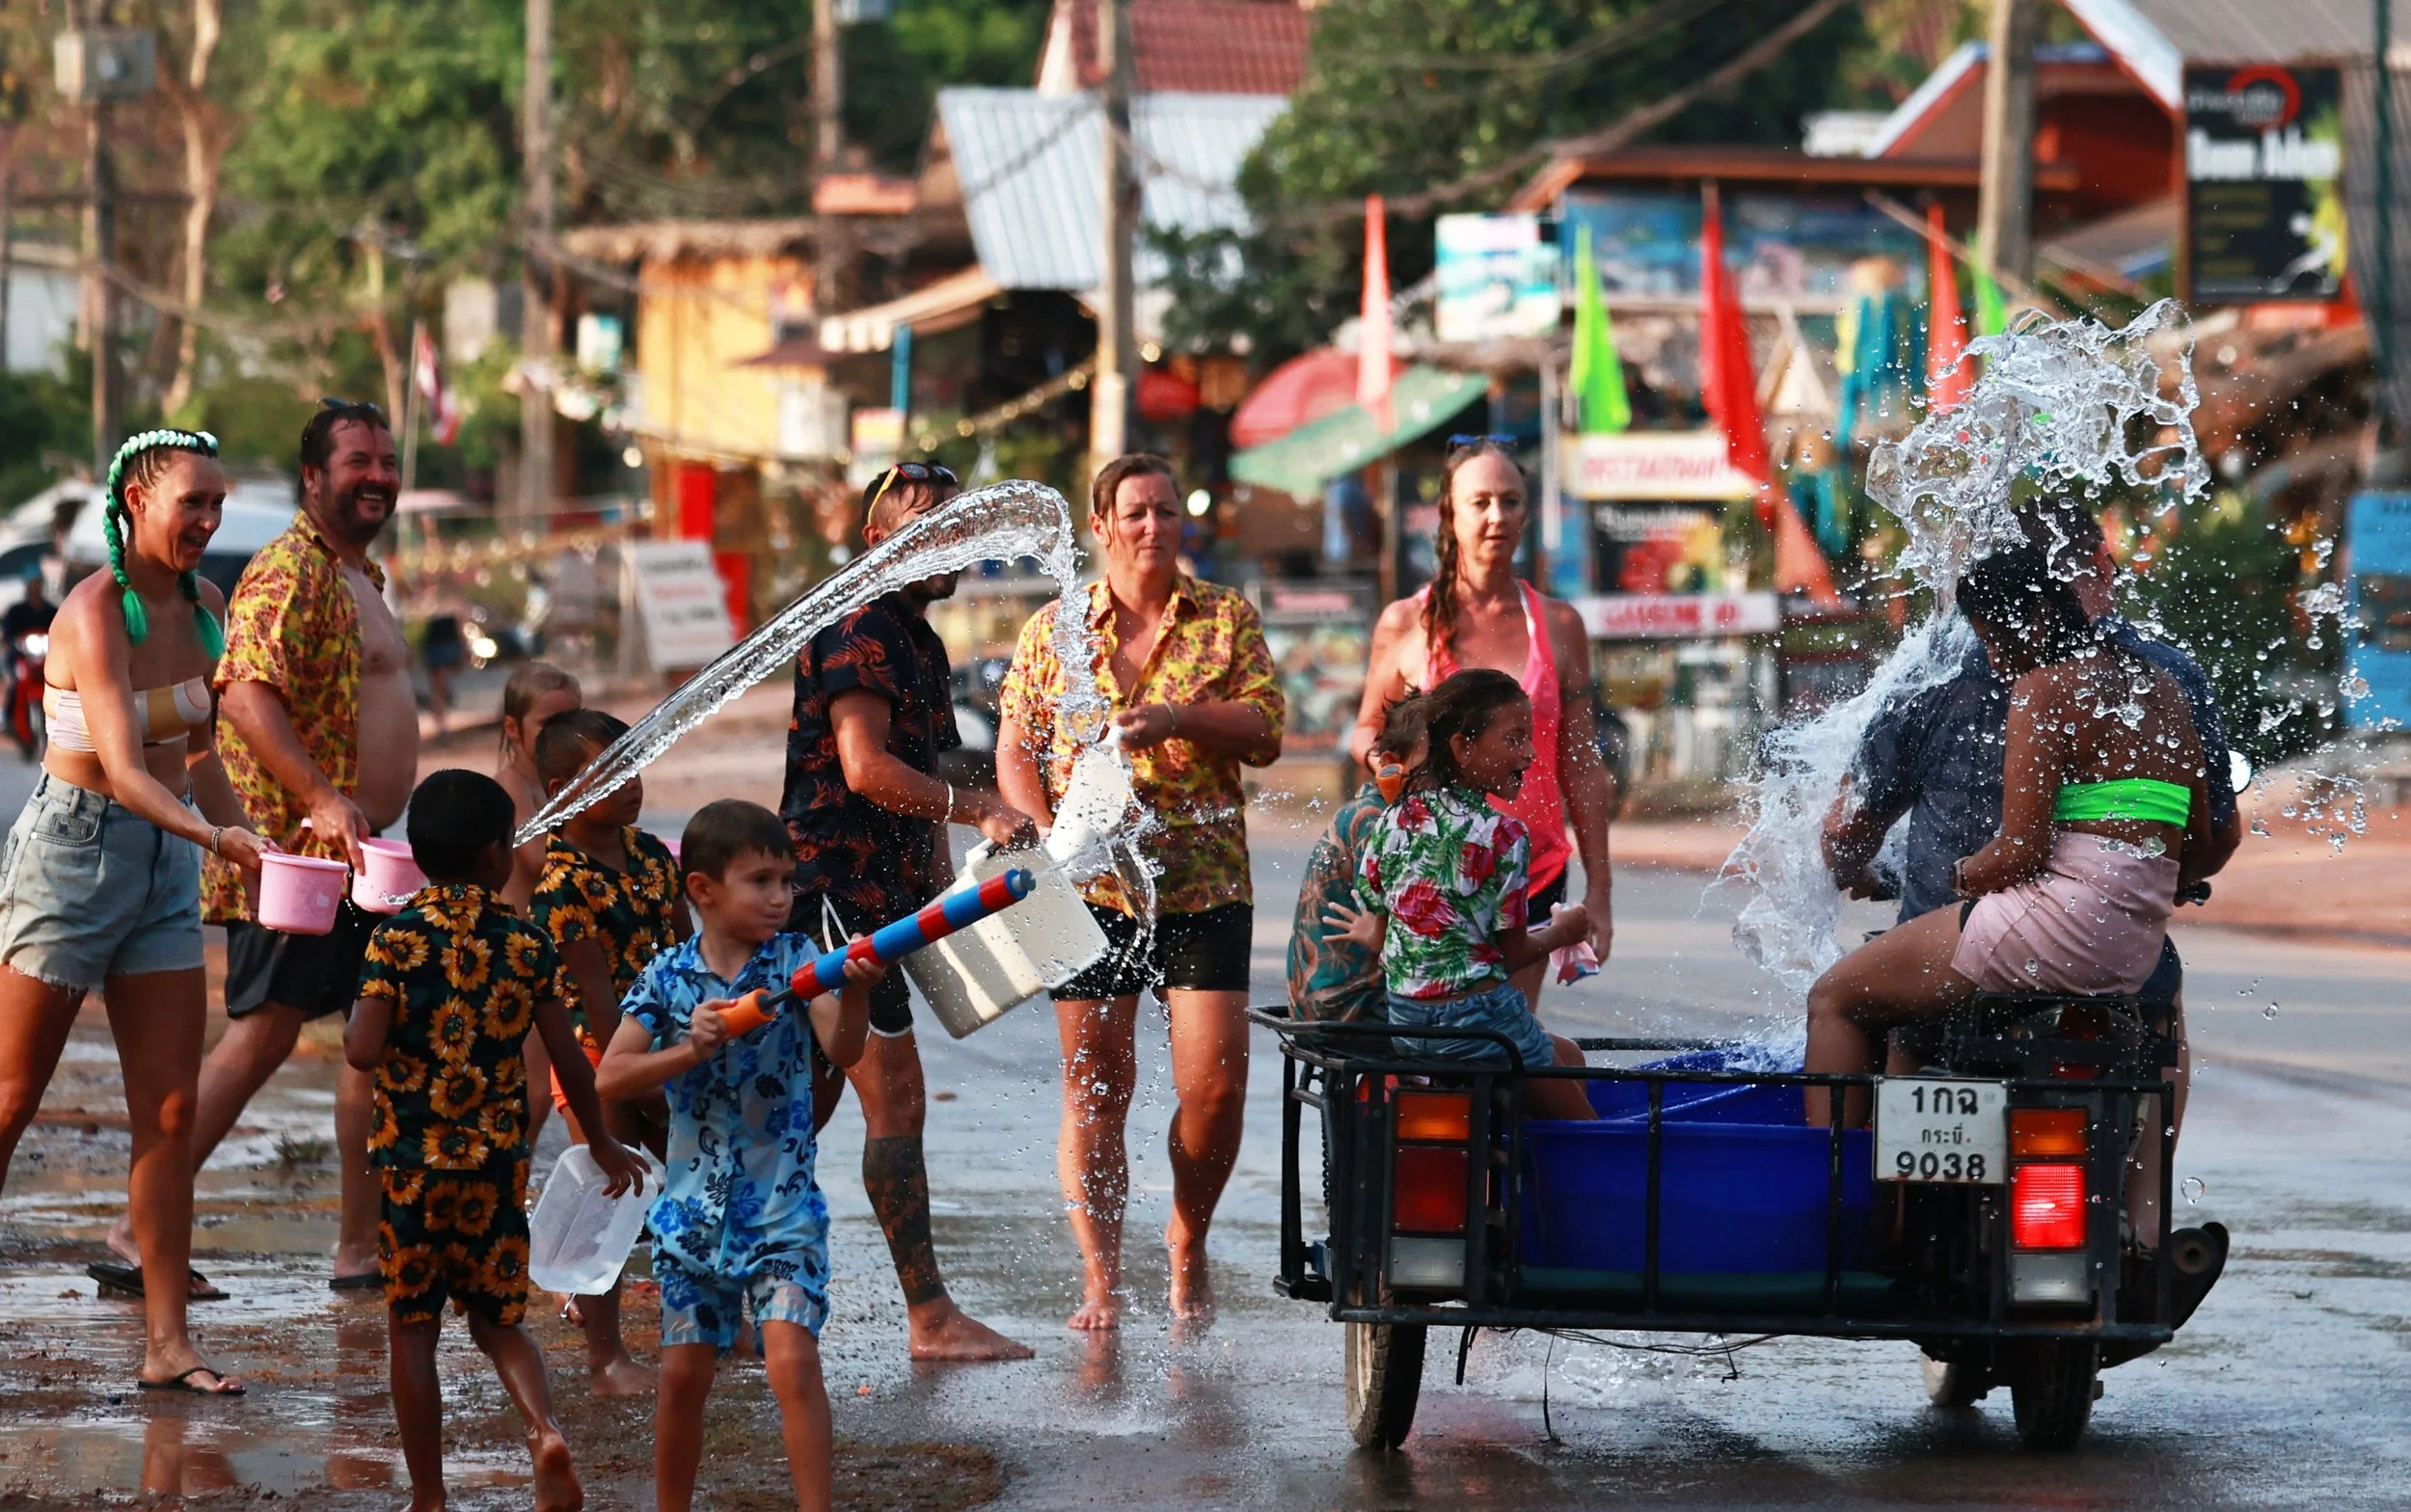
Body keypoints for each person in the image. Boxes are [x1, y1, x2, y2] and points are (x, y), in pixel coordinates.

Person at [1821, 500, 2241, 1229]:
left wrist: (1868, 866)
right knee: (2159, 1032)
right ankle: (2142, 1227)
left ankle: (1846, 1214)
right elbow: (2212, 837)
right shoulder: (2165, 677)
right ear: (2093, 574)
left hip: (1992, 942)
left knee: (1843, 1000)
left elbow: (2001, 850)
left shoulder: (1963, 674)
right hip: (2126, 953)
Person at [0, 428, 267, 1393]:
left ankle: (168, 1342)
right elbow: (119, 768)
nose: (207, 521)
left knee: (167, 1105)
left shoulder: (205, 606)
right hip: (72, 857)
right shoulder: (93, 613)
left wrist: (260, 843)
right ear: (135, 500)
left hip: (164, 868)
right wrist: (215, 840)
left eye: (217, 505)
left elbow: (197, 759)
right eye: (191, 501)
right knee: (10, 1097)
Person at [131, 398, 415, 1294]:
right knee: (259, 1038)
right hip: (297, 858)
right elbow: (244, 697)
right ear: (312, 478)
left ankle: (361, 1248)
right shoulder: (288, 569)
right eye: (356, 462)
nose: (376, 475)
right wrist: (323, 799)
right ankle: (134, 1234)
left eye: (385, 460)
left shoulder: (358, 571)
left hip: (357, 860)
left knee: (379, 1033)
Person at [997, 452, 1287, 1329]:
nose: (1153, 527)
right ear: (1101, 526)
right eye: (1136, 513)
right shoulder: (1055, 630)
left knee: (1216, 1089)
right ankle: (1099, 1279)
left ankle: (1187, 1237)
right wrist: (1042, 836)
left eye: (1166, 510)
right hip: (1082, 889)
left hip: (1203, 882)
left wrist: (1174, 719)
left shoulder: (1225, 618)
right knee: (1095, 1087)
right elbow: (1014, 746)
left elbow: (1267, 732)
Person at [779, 461, 1035, 1363]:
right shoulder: (861, 629)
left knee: (791, 1106)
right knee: (893, 1101)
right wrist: (983, 813)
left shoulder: (917, 639)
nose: (948, 541)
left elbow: (925, 777)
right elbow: (866, 770)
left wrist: (945, 877)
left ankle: (695, 1276)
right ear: (876, 540)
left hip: (877, 901)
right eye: (926, 523)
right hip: (829, 901)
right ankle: (929, 1319)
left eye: (957, 525)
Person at [343, 769, 644, 1512]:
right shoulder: (524, 941)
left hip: (413, 1172)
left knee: (412, 1332)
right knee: (499, 1321)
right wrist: (603, 1142)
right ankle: (543, 1429)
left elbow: (359, 1050)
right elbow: (570, 1056)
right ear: (492, 856)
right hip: (495, 1170)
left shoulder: (395, 938)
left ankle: (429, 1497)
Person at [594, 799, 880, 1512]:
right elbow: (611, 1076)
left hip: (783, 1208)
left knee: (792, 1363)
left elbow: (843, 1050)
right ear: (703, 890)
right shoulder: (667, 979)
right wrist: (686, 1049)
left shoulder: (800, 961)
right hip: (691, 1217)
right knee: (684, 1380)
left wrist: (856, 997)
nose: (781, 897)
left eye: (786, 881)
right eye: (761, 881)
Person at [1352, 437, 1616, 1008]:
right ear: (1449, 512)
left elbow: (1582, 763)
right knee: (1438, 1059)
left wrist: (1600, 892)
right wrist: (1388, 768)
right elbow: (1367, 731)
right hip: (1427, 873)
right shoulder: (1406, 623)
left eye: (1512, 501)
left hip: (1532, 873)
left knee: (1504, 1051)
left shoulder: (1560, 624)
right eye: (1480, 502)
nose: (1498, 516)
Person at [1340, 670, 1595, 1120]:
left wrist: (1368, 931)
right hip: (1481, 1025)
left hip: (1409, 1026)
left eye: (1530, 739)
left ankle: (1510, 1170)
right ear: (1461, 747)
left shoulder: (1390, 823)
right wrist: (1562, 931)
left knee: (1569, 1056)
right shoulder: (1502, 834)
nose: (1532, 754)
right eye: (1515, 739)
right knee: (1588, 1133)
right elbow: (1511, 954)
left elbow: (1386, 936)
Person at [528, 707, 686, 1393]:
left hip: (667, 1047)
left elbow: (689, 951)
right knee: (612, 1201)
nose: (631, 782)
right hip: (602, 1058)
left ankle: (715, 1322)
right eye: (611, 770)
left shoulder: (652, 855)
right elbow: (596, 1000)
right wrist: (644, 1081)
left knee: (691, 1187)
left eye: (634, 764)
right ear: (563, 788)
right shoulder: (561, 884)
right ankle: (606, 1356)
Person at [1287, 692, 1428, 1024]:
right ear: (1392, 763)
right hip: (1347, 1005)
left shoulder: (1386, 813)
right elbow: (1409, 938)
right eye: (1436, 766)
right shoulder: (1376, 821)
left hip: (1336, 999)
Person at [492, 662, 582, 1150]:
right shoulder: (512, 784)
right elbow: (535, 856)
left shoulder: (564, 785)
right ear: (513, 728)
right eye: (549, 725)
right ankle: (505, 1185)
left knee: (553, 1085)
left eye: (574, 721)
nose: (562, 736)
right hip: (518, 961)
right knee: (529, 1089)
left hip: (551, 959)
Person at [419, 612, 465, 736]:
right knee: (439, 687)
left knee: (437, 687)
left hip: (437, 645)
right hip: (443, 646)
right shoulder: (453, 607)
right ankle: (441, 722)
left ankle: (441, 722)